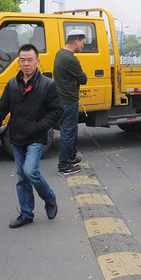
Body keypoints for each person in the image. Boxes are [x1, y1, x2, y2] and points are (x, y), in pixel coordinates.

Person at [0, 44, 63, 228]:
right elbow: (0, 111)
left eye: (30, 60)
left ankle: (49, 197)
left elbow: (58, 110)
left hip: (36, 137)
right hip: (17, 137)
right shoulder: (12, 84)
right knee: (22, 178)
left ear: (37, 61)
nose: (26, 64)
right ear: (18, 61)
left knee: (30, 171)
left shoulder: (47, 85)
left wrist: (40, 125)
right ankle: (26, 214)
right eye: (22, 60)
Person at [54, 29, 88, 176]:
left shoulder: (60, 53)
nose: (83, 46)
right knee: (68, 133)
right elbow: (84, 79)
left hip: (62, 99)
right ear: (76, 41)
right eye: (83, 43)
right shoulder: (71, 59)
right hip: (68, 101)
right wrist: (76, 79)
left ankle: (71, 158)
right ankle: (64, 166)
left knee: (71, 131)